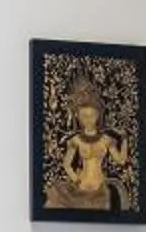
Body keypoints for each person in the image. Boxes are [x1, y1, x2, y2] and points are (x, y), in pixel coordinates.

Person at [45, 68, 128, 212]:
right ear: (78, 116)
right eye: (84, 116)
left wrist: (125, 139)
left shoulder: (106, 140)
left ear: (98, 115)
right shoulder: (76, 140)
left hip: (99, 189)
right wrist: (75, 178)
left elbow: (121, 161)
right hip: (80, 188)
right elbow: (66, 164)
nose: (88, 120)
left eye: (91, 115)